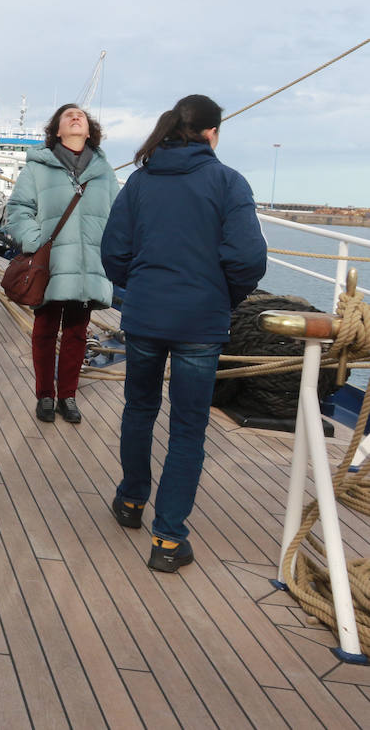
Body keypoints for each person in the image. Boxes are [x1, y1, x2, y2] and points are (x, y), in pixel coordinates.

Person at [101, 94, 266, 572]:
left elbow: (115, 252)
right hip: (200, 322)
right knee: (188, 428)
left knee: (139, 408)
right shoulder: (229, 183)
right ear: (213, 132)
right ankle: (169, 540)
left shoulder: (139, 182)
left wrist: (145, 287)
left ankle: (131, 502)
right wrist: (222, 296)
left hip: (146, 315)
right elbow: (248, 258)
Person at [4, 104, 119, 425]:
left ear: (89, 129)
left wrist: (111, 253)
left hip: (87, 265)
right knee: (45, 330)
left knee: (77, 333)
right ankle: (45, 394)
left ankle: (68, 395)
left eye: (80, 115)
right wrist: (35, 241)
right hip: (50, 264)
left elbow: (117, 218)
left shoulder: (104, 172)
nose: (75, 117)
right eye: (67, 115)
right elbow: (17, 210)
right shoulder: (38, 168)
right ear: (57, 130)